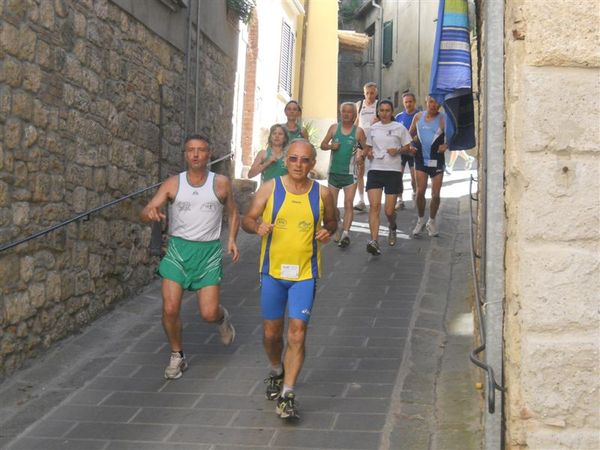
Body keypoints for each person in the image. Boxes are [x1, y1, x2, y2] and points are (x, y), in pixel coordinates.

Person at [241, 139, 337, 420]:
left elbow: (332, 221)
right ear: (286, 161)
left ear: (312, 163)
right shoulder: (270, 188)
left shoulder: (323, 194)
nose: (298, 164)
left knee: (297, 332)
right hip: (272, 273)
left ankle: (288, 394)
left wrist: (327, 231)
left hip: (305, 275)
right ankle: (275, 369)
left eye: (305, 160)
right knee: (272, 334)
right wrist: (257, 226)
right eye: (294, 159)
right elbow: (248, 219)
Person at [140, 134, 240, 380]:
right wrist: (150, 213)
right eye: (191, 150)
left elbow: (233, 212)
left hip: (207, 253)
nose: (195, 154)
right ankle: (177, 355)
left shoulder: (221, 183)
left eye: (201, 150)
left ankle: (222, 318)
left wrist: (231, 239)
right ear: (185, 155)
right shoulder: (173, 183)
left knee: (208, 313)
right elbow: (147, 210)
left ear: (209, 154)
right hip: (177, 251)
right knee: (170, 307)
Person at [363, 100, 413, 255]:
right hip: (375, 170)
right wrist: (368, 153)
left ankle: (392, 226)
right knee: (374, 206)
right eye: (382, 110)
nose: (384, 113)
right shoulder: (372, 129)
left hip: (392, 171)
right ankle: (374, 241)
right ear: (378, 112)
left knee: (389, 211)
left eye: (387, 110)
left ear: (392, 112)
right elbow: (367, 148)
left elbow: (408, 147)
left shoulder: (399, 128)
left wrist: (397, 150)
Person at [320, 102, 366, 248]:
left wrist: (361, 155)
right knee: (332, 207)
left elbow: (366, 149)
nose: (346, 114)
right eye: (343, 112)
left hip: (350, 175)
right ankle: (339, 223)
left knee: (348, 204)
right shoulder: (334, 128)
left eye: (349, 112)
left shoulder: (358, 132)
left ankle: (346, 234)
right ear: (341, 113)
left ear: (354, 115)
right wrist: (330, 146)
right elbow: (322, 145)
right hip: (334, 173)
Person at [409, 96, 448, 237]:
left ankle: (431, 221)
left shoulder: (444, 119)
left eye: (437, 102)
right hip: (420, 159)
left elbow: (452, 136)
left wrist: (446, 145)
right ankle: (420, 220)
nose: (434, 105)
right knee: (420, 192)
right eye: (431, 101)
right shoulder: (418, 117)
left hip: (436, 159)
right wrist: (411, 146)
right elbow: (409, 135)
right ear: (426, 102)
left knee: (436, 194)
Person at [353, 82, 379, 212]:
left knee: (376, 171)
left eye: (372, 93)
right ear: (364, 93)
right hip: (361, 142)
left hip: (375, 143)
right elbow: (356, 123)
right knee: (359, 170)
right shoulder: (359, 105)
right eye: (367, 93)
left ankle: (375, 199)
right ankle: (361, 200)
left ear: (376, 93)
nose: (369, 95)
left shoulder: (379, 106)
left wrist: (379, 121)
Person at [394, 92, 419, 209]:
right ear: (403, 103)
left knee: (414, 177)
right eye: (406, 102)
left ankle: (415, 194)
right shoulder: (399, 117)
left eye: (410, 101)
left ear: (414, 102)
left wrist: (415, 141)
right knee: (398, 176)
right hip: (402, 152)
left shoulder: (420, 116)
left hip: (415, 151)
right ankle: (400, 199)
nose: (408, 104)